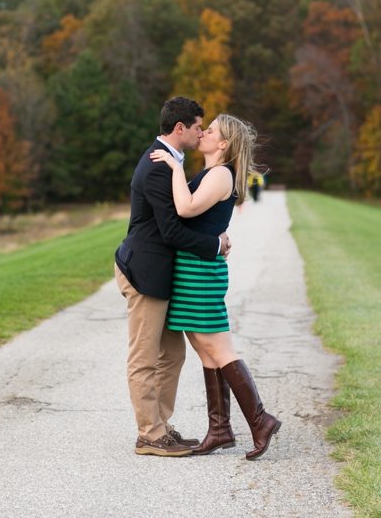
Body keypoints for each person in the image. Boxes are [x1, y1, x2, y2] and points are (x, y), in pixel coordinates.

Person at [150, 114, 281, 460]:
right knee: (205, 349)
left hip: (201, 272)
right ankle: (219, 429)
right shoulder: (213, 173)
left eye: (211, 131)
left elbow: (185, 207)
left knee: (219, 348)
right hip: (194, 267)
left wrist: (174, 169)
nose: (203, 133)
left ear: (223, 144)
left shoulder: (221, 173)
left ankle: (261, 420)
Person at [114, 96, 231, 457]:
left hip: (160, 273)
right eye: (198, 127)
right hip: (145, 272)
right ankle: (149, 434)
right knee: (144, 356)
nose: (201, 132)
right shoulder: (157, 165)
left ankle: (160, 427)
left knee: (173, 353)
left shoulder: (172, 162)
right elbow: (170, 231)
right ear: (180, 128)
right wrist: (215, 244)